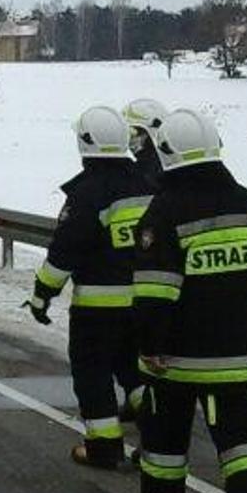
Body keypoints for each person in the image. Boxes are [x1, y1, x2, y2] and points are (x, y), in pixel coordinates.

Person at [129, 108, 247, 493]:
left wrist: (148, 346)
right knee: (242, 436)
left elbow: (154, 294)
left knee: (165, 433)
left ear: (168, 153)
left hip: (176, 359)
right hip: (236, 356)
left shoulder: (163, 212)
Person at [25, 107, 154, 469]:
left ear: (85, 143)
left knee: (93, 374)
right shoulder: (148, 186)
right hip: (146, 304)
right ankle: (157, 443)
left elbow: (63, 254)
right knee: (135, 374)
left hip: (98, 310)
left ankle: (104, 447)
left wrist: (41, 296)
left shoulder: (87, 194)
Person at [123, 98, 170, 183]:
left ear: (153, 132)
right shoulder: (133, 170)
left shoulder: (162, 173)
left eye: (133, 132)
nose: (129, 140)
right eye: (125, 133)